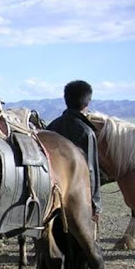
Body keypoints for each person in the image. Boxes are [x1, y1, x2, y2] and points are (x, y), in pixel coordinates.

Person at [47, 80, 102, 221]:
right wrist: (95, 204)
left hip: (52, 198)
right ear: (87, 102)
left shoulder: (51, 127)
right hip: (76, 200)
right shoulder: (86, 132)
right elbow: (91, 170)